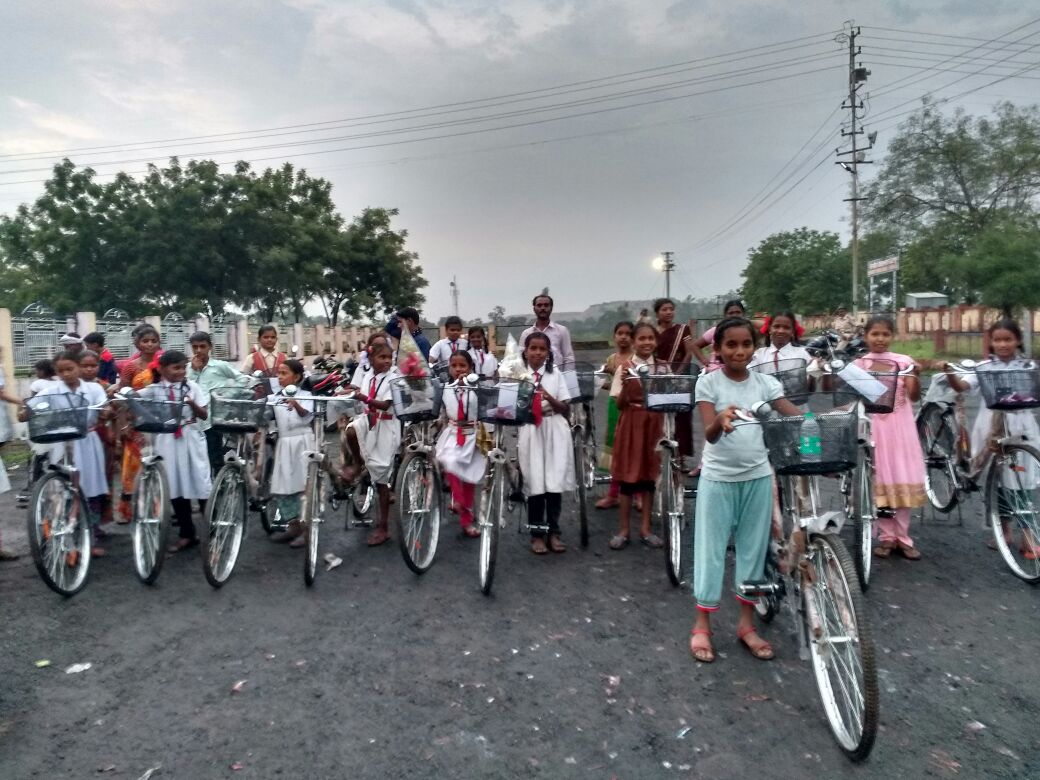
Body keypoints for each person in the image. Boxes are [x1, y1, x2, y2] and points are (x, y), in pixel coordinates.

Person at [690, 317, 801, 663]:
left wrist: (830, 419)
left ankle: (746, 625)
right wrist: (721, 420)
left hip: (757, 477)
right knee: (710, 550)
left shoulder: (766, 384)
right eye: (731, 345)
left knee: (753, 550)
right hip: (718, 478)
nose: (739, 351)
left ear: (755, 347)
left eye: (746, 344)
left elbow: (793, 415)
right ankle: (702, 626)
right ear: (718, 350)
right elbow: (708, 432)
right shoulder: (707, 383)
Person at [944, 318, 1039, 556]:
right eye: (998, 340)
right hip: (992, 429)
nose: (1003, 344)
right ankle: (1004, 531)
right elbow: (963, 387)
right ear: (991, 343)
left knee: (1022, 482)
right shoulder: (984, 368)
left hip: (1022, 429)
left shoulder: (1029, 367)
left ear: (1018, 341)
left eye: (1008, 339)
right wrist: (950, 374)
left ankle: (1028, 536)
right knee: (998, 480)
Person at [854, 315, 925, 560]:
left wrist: (914, 375)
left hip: (901, 428)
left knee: (902, 477)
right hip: (874, 428)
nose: (880, 339)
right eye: (875, 334)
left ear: (892, 336)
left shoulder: (903, 361)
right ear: (866, 336)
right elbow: (855, 396)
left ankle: (903, 537)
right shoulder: (860, 364)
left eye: (885, 334)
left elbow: (914, 396)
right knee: (880, 479)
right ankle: (885, 536)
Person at [31, 350, 112, 557]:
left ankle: (89, 539)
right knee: (63, 491)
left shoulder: (93, 388)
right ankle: (64, 538)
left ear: (78, 367)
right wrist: (27, 411)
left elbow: (105, 406)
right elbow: (33, 405)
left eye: (70, 369)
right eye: (61, 371)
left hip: (88, 442)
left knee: (90, 491)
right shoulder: (52, 390)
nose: (66, 374)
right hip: (62, 443)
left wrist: (105, 411)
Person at [137, 350, 211, 553]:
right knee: (174, 486)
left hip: (190, 437)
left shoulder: (192, 387)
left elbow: (204, 414)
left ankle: (210, 529)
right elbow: (136, 398)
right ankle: (187, 533)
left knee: (200, 482)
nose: (180, 372)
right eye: (175, 367)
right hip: (167, 439)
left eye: (183, 367)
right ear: (161, 369)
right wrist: (122, 394)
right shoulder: (154, 390)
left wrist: (191, 402)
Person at [608, 322, 664, 549]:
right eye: (642, 338)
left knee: (648, 476)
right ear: (634, 341)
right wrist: (626, 384)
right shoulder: (625, 367)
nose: (647, 342)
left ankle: (646, 528)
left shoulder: (662, 368)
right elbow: (619, 403)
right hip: (631, 423)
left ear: (656, 341)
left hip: (654, 424)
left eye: (651, 338)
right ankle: (623, 530)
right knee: (628, 478)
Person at [517, 332, 574, 554]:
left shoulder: (555, 374)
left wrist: (548, 397)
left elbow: (566, 408)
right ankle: (537, 534)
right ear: (526, 351)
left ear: (548, 352)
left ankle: (554, 532)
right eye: (533, 348)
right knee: (535, 483)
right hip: (531, 430)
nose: (538, 353)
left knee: (553, 482)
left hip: (554, 429)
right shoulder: (518, 375)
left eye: (542, 349)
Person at [342, 342, 400, 546]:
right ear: (371, 358)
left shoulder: (393, 378)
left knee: (381, 479)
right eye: (381, 357)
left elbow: (385, 405)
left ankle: (383, 526)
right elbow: (360, 395)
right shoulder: (368, 376)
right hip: (368, 421)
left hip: (386, 427)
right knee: (350, 431)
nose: (386, 361)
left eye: (388, 358)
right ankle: (358, 464)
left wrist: (363, 397)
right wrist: (346, 392)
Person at [435, 351, 485, 538]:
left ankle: (466, 521)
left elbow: (484, 406)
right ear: (449, 368)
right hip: (453, 433)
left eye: (462, 366)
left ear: (470, 368)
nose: (458, 370)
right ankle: (459, 501)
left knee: (470, 478)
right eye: (454, 366)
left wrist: (470, 385)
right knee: (449, 461)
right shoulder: (446, 388)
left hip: (472, 434)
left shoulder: (477, 387)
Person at [266, 360, 315, 548]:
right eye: (278, 373)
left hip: (303, 442)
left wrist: (296, 405)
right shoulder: (274, 397)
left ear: (297, 377)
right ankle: (293, 525)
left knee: (304, 487)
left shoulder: (306, 395)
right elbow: (267, 415)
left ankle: (307, 530)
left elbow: (306, 416)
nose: (279, 377)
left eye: (284, 373)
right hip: (284, 443)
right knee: (284, 486)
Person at [115, 324, 161, 522]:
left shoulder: (163, 364)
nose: (150, 344)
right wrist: (123, 424)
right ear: (137, 343)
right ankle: (129, 509)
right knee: (133, 465)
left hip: (160, 421)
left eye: (154, 341)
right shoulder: (130, 367)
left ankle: (158, 509)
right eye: (145, 341)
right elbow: (122, 397)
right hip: (136, 423)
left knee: (158, 464)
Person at [188, 331, 246, 474]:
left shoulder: (220, 366)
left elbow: (242, 379)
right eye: (195, 347)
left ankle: (220, 489)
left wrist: (226, 396)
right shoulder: (188, 369)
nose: (198, 350)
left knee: (215, 458)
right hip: (195, 420)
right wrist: (195, 371)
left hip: (214, 419)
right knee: (198, 460)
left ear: (210, 347)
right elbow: (187, 388)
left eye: (202, 346)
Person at [653, 298, 696, 474]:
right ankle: (658, 457)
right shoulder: (653, 333)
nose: (669, 312)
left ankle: (682, 457)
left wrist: (678, 371)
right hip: (658, 377)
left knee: (683, 417)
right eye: (664, 309)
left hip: (680, 377)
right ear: (657, 313)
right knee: (658, 416)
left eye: (671, 309)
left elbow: (689, 352)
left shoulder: (682, 330)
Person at [595, 321, 634, 510]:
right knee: (615, 446)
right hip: (614, 405)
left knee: (634, 448)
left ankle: (639, 494)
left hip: (633, 406)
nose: (624, 336)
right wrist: (598, 381)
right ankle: (613, 493)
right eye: (620, 333)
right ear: (614, 336)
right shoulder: (611, 359)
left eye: (628, 333)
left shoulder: (638, 358)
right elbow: (611, 386)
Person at [520, 293, 576, 368]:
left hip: (557, 376)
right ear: (534, 308)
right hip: (532, 377)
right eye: (539, 305)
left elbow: (568, 357)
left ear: (551, 308)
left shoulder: (562, 331)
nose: (543, 308)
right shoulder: (526, 333)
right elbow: (521, 357)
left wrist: (566, 377)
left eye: (546, 305)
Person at [690, 299, 747, 368]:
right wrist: (704, 361)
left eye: (738, 312)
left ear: (743, 314)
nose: (734, 315)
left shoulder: (748, 332)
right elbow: (695, 346)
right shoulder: (716, 331)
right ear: (725, 315)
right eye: (731, 313)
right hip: (716, 372)